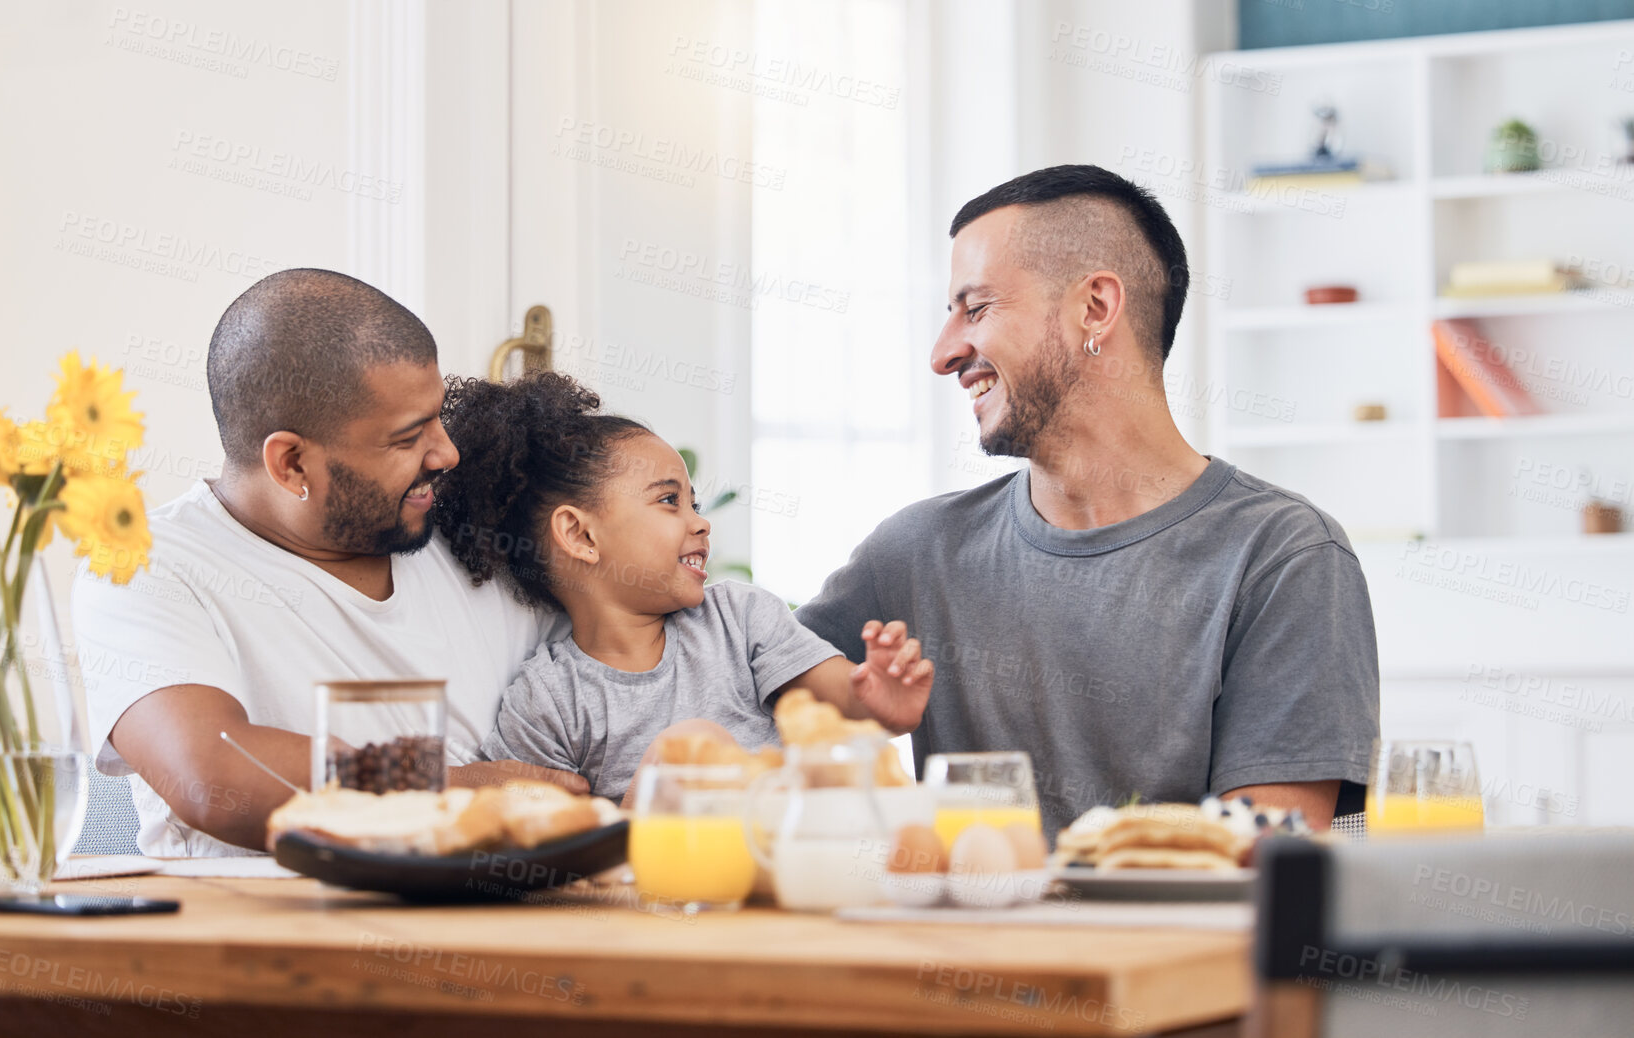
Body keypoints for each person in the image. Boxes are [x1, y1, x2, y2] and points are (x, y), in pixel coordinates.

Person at [795, 165, 1380, 837]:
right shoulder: (912, 554)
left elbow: (1264, 865)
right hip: (943, 942)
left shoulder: (1282, 555)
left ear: (1095, 308)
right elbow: (737, 695)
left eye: (975, 308)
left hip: (1167, 945)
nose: (943, 353)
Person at [72, 269, 583, 856]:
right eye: (407, 437)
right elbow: (210, 774)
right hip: (274, 937)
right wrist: (453, 789)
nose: (447, 452)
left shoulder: (472, 527)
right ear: (290, 463)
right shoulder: (146, 565)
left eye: (438, 417)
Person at [432, 372, 933, 801]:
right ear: (581, 535)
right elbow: (535, 822)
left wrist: (878, 703)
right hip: (652, 887)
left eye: (693, 502)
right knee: (693, 743)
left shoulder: (739, 618)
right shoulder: (549, 699)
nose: (700, 523)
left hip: (787, 857)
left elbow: (840, 698)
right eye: (670, 501)